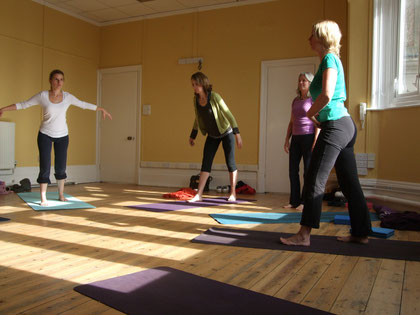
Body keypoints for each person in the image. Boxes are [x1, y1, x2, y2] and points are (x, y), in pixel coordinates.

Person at [280, 20, 372, 246]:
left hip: (336, 125)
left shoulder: (330, 58)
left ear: (322, 37)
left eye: (312, 34)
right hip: (345, 125)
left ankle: (303, 235)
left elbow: (327, 94)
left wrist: (310, 114)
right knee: (349, 183)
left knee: (313, 178)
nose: (309, 38)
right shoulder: (328, 61)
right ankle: (361, 233)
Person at [0, 69, 112, 206]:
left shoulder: (68, 97)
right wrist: (4, 109)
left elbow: (83, 104)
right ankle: (43, 198)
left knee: (61, 167)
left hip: (62, 136)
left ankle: (60, 194)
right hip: (45, 135)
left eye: (61, 80)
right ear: (50, 81)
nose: (59, 82)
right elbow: (24, 104)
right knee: (45, 166)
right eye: (56, 79)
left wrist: (100, 109)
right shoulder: (42, 96)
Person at [188, 72, 242, 202]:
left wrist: (237, 134)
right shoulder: (195, 100)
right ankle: (199, 194)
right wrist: (193, 135)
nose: (194, 87)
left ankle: (233, 193)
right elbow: (198, 118)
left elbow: (229, 114)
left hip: (226, 132)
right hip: (212, 135)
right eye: (193, 85)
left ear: (203, 83)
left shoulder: (215, 97)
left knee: (230, 163)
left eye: (196, 84)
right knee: (206, 162)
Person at [283, 72, 318, 212]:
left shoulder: (313, 100)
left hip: (309, 137)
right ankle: (294, 201)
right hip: (296, 138)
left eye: (304, 80)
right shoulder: (295, 101)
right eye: (300, 80)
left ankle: (305, 202)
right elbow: (292, 122)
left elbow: (317, 122)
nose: (301, 83)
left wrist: (315, 139)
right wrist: (287, 139)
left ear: (310, 83)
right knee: (293, 171)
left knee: (307, 172)